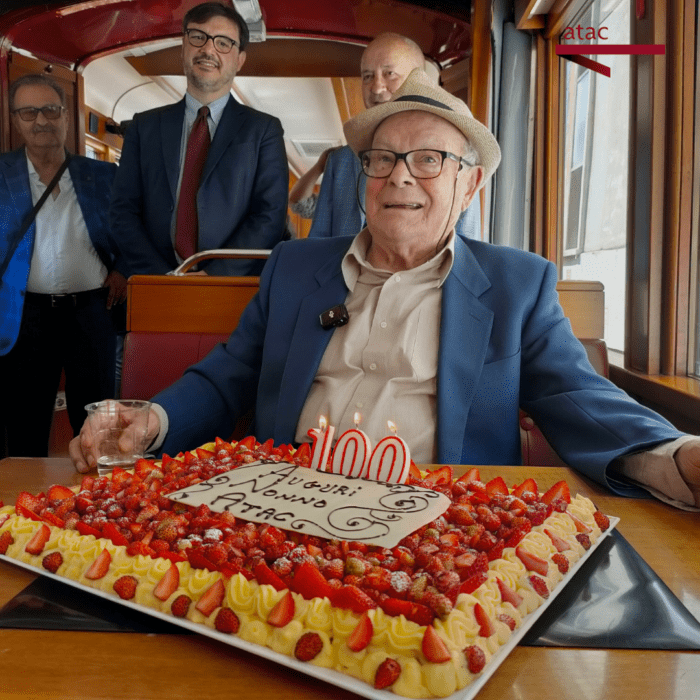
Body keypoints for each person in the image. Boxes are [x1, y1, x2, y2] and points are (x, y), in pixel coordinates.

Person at [70, 69, 700, 510]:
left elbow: (578, 395)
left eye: (430, 159)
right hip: (282, 509)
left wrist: (674, 456)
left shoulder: (516, 284)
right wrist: (152, 419)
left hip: (441, 520)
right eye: (382, 159)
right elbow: (225, 377)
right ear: (363, 174)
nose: (401, 177)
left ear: (469, 185)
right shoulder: (294, 266)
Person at [109, 2, 288, 277]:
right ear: (183, 47)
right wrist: (161, 277)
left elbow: (269, 216)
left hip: (230, 288)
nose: (208, 49)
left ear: (239, 60)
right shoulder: (143, 127)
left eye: (224, 43)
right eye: (198, 37)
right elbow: (123, 211)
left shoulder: (263, 130)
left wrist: (214, 276)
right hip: (155, 284)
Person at [0, 73, 125, 457]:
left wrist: (123, 270)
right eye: (29, 112)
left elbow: (132, 231)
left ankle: (98, 501)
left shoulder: (104, 175)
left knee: (97, 418)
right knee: (25, 420)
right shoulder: (1, 175)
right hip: (25, 316)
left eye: (50, 110)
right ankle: (22, 509)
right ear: (15, 120)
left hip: (91, 312)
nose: (41, 121)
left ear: (66, 116)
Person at [302, 33, 480, 241]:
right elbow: (318, 241)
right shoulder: (339, 161)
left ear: (420, 80)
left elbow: (466, 246)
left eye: (389, 74)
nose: (376, 87)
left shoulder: (455, 157)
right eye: (368, 76)